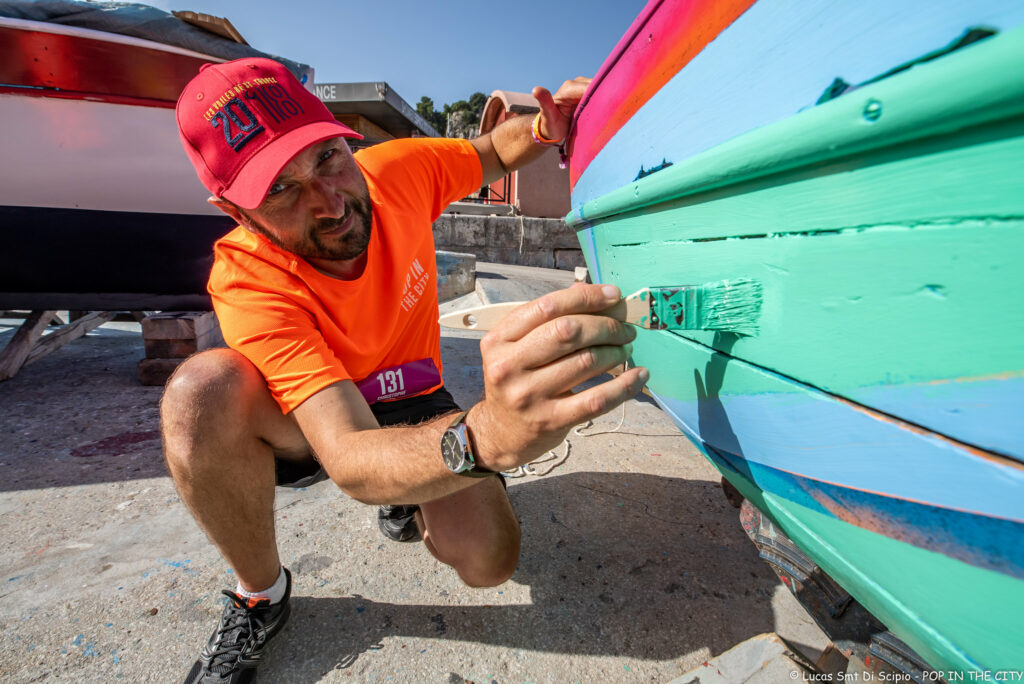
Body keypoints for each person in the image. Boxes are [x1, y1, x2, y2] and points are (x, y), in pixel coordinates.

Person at [164, 57, 648, 683]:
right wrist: (482, 438)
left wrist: (544, 131)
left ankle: (415, 497)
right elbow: (352, 458)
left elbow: (489, 154)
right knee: (200, 393)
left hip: (415, 395)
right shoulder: (249, 280)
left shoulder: (398, 173)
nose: (329, 203)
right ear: (234, 211)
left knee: (490, 561)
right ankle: (261, 595)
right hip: (315, 416)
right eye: (280, 190)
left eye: (328, 159)